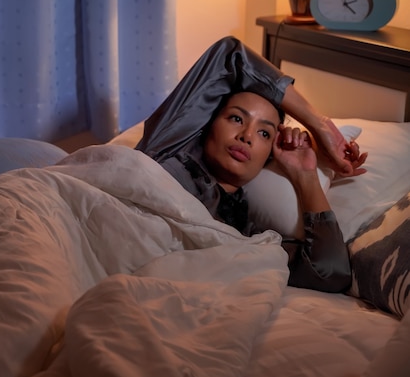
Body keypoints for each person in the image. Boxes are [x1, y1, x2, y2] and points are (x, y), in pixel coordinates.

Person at [135, 36, 367, 293]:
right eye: (236, 118)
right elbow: (229, 55)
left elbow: (329, 273)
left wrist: (306, 176)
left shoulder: (248, 234)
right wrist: (319, 125)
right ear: (207, 124)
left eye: (264, 133)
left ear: (269, 154)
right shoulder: (168, 148)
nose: (246, 135)